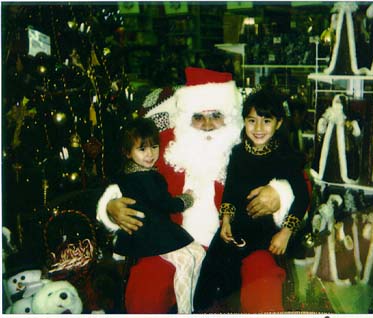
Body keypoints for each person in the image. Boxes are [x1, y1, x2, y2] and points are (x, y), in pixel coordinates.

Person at [96, 67, 295, 314]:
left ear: (231, 117)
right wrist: (111, 205)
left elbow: (299, 180)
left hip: (242, 241)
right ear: (186, 119)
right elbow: (127, 176)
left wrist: (279, 193)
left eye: (216, 115)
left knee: (264, 281)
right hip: (172, 242)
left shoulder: (253, 144)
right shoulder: (165, 146)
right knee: (146, 287)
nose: (208, 125)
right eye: (198, 117)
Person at [194, 89, 310, 313]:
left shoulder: (285, 156)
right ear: (244, 121)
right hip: (234, 230)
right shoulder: (238, 153)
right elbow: (230, 189)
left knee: (253, 285)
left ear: (278, 123)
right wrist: (226, 220)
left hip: (264, 234)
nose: (258, 129)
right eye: (252, 121)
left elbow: (302, 196)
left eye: (266, 121)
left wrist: (285, 233)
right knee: (209, 280)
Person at [112, 117, 205, 313]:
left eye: (154, 147)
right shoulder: (146, 177)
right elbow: (165, 204)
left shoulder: (131, 174)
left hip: (151, 229)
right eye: (142, 149)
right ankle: (186, 311)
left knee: (197, 253)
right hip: (148, 234)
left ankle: (188, 305)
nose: (150, 154)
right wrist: (186, 199)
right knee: (187, 260)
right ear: (127, 152)